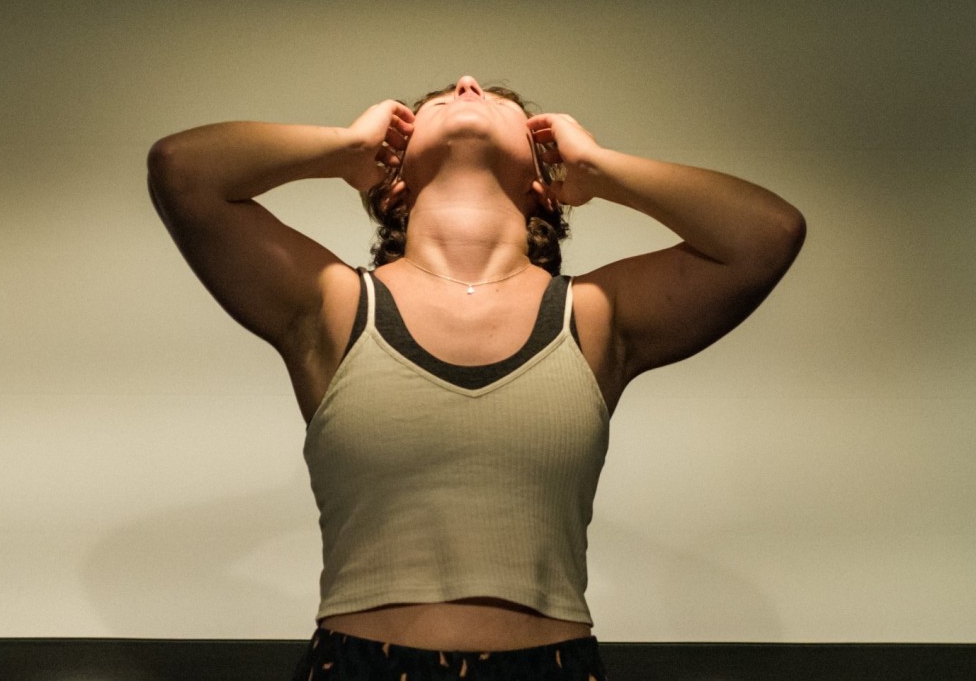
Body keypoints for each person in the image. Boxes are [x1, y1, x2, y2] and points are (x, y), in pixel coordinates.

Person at [147, 75, 805, 680]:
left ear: (545, 180)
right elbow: (183, 171)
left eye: (498, 98)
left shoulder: (596, 316)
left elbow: (767, 234)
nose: (466, 83)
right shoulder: (334, 305)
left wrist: (600, 168)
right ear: (393, 182)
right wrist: (343, 150)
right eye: (439, 99)